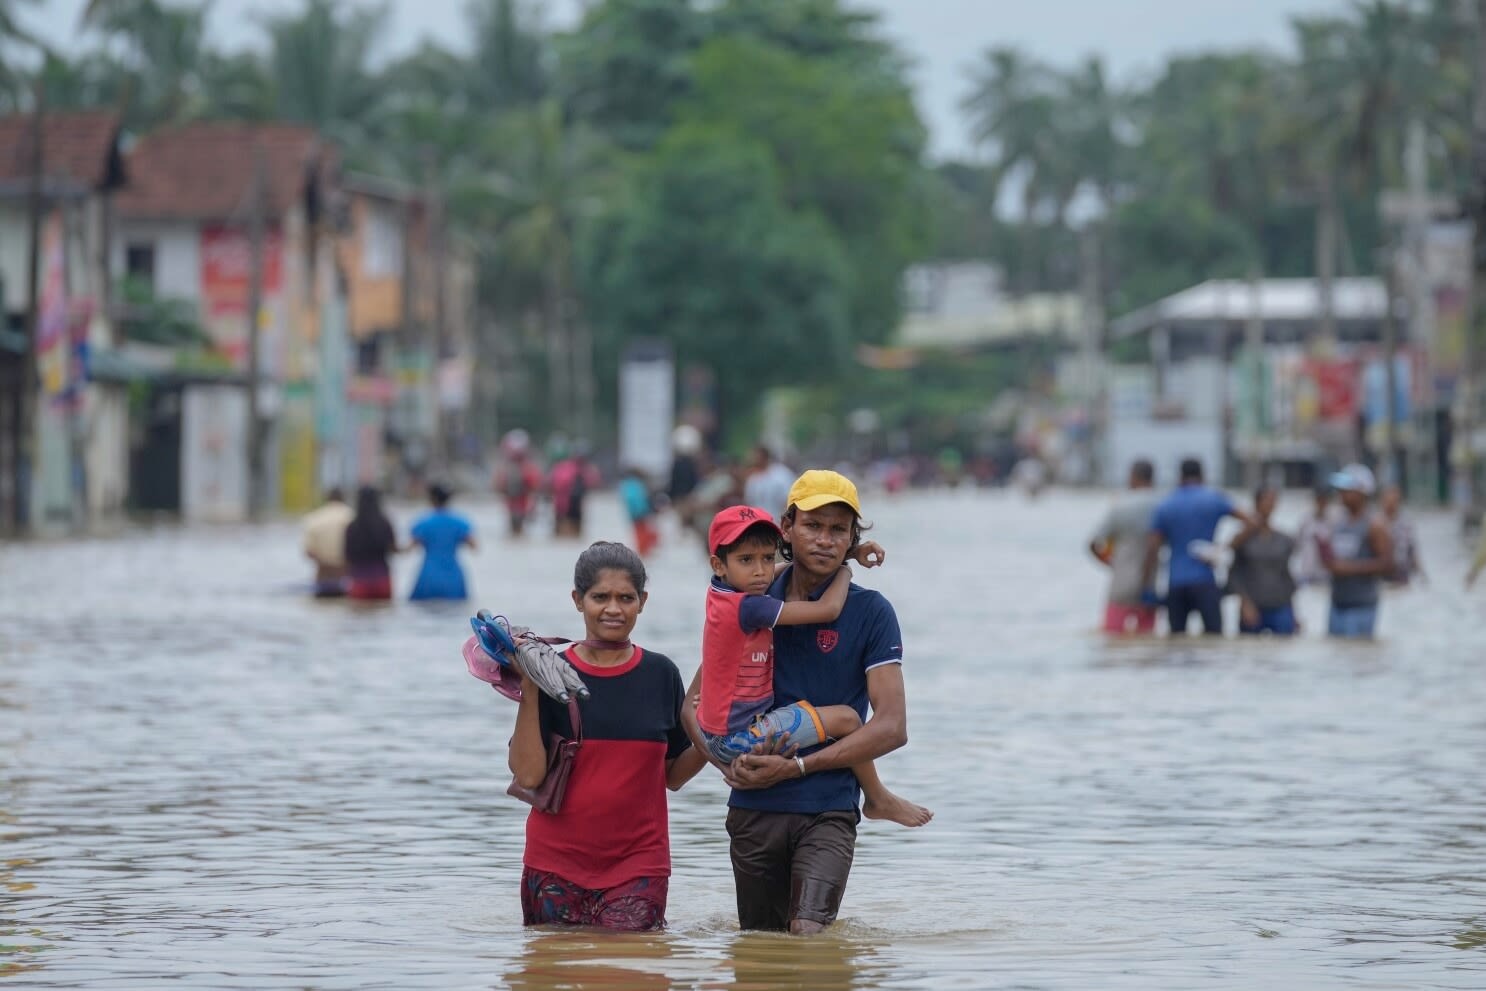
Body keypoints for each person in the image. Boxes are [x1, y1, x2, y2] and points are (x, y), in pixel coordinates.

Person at [681, 470, 923, 934]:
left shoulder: (871, 612)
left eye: (839, 530)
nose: (825, 540)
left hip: (828, 806)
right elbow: (693, 706)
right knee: (758, 948)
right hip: (753, 805)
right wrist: (727, 764)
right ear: (787, 528)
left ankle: (875, 800)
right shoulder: (752, 599)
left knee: (807, 935)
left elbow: (892, 727)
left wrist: (796, 768)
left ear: (852, 537)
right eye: (813, 526)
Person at [508, 542, 706, 930]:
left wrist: (713, 731)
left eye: (626, 598)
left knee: (633, 961)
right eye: (600, 597)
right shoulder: (550, 674)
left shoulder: (661, 674)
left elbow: (674, 776)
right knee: (553, 961)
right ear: (578, 600)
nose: (613, 609)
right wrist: (529, 687)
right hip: (554, 864)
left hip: (639, 865)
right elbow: (528, 776)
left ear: (642, 602)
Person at [694, 504, 929, 829]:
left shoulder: (724, 593)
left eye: (767, 558)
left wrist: (847, 551)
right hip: (739, 742)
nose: (761, 571)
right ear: (719, 564)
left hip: (720, 737)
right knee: (848, 718)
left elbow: (771, 568)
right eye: (747, 560)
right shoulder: (752, 607)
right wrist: (844, 566)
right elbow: (828, 609)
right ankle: (877, 797)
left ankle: (878, 797)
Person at [1143, 457, 1249, 636]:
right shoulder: (1214, 499)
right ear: (1202, 475)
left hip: (1176, 582)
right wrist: (1224, 547)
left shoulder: (1166, 504)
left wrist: (1146, 586)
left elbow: (1153, 548)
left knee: (1176, 641)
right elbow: (1251, 522)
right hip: (1205, 581)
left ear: (1180, 477)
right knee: (1214, 639)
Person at [1087, 458, 1161, 635]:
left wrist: (1111, 563)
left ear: (1133, 477)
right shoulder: (1162, 506)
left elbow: (1093, 544)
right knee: (1146, 639)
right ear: (1152, 478)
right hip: (1150, 583)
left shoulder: (1120, 506)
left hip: (1122, 583)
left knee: (1112, 637)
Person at [1321, 464, 1393, 639]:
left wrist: (1348, 569)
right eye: (1341, 490)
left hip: (1362, 606)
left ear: (1361, 492)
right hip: (1337, 603)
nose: (1341, 494)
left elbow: (1387, 564)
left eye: (1347, 490)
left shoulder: (1375, 525)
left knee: (1357, 649)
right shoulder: (1337, 522)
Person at [1226, 486, 1298, 636]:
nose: (1269, 504)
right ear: (1257, 502)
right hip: (1253, 605)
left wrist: (1294, 612)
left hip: (1280, 604)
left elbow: (1286, 576)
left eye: (1272, 500)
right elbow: (1234, 573)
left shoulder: (1283, 540)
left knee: (1284, 645)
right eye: (1266, 500)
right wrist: (1244, 603)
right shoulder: (1244, 539)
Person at [408, 482, 476, 601]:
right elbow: (474, 546)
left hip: (428, 575)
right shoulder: (460, 522)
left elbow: (409, 548)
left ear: (432, 499)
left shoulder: (423, 522)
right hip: (453, 577)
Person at [344, 486, 400, 601]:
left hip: (359, 581)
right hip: (382, 580)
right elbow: (393, 549)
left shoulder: (352, 527)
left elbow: (347, 556)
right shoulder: (385, 524)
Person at [302, 487, 353, 598]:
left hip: (322, 577)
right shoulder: (352, 517)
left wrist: (326, 561)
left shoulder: (313, 518)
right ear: (343, 499)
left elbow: (309, 552)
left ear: (326, 499)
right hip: (346, 576)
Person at [494, 430, 543, 539]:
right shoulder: (526, 468)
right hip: (516, 504)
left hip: (519, 504)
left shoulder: (519, 468)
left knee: (516, 531)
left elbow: (498, 486)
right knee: (517, 531)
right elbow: (535, 488)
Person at [549, 444, 601, 539]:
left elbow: (594, 483)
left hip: (575, 508)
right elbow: (555, 485)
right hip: (565, 507)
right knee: (565, 536)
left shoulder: (584, 470)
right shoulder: (566, 468)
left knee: (572, 536)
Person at [1378, 484, 1425, 585]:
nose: (1390, 505)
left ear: (1398, 502)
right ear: (1382, 501)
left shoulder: (1405, 522)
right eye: (1387, 501)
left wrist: (1421, 573)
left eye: (1394, 501)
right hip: (1381, 572)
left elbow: (1412, 549)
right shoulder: (1375, 522)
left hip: (1401, 570)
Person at [1294, 486, 1336, 586]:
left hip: (1326, 575)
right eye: (1319, 499)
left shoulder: (1335, 521)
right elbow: (1297, 545)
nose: (1321, 503)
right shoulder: (1306, 520)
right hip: (1307, 574)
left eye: (1324, 500)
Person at [742, 446, 795, 519]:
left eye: (756, 457)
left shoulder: (781, 474)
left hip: (778, 520)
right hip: (758, 521)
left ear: (764, 457)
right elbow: (749, 503)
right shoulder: (752, 479)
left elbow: (789, 500)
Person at [619, 467, 660, 558]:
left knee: (640, 530)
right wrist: (645, 510)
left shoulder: (625, 485)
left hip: (633, 512)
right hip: (640, 511)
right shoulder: (637, 485)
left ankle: (643, 549)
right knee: (642, 530)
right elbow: (640, 500)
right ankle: (644, 549)